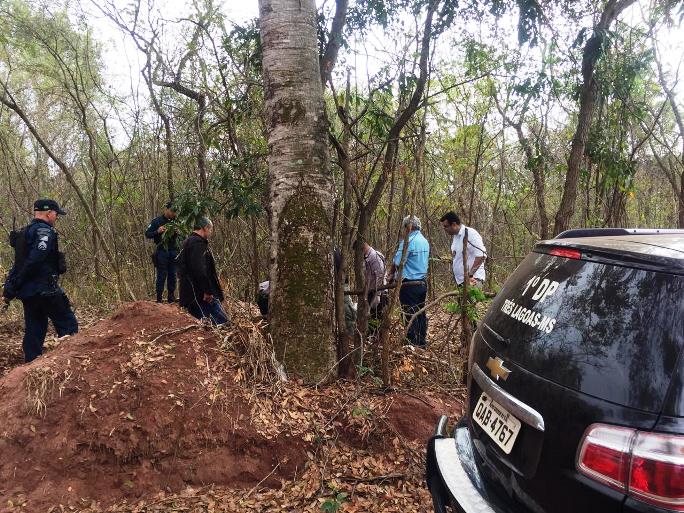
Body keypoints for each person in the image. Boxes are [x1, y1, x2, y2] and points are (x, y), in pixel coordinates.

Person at [2, 199, 78, 362]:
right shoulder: (45, 232)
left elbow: (18, 264)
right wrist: (16, 284)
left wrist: (11, 288)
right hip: (45, 290)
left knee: (34, 331)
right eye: (56, 214)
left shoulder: (25, 233)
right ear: (49, 213)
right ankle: (71, 365)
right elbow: (34, 260)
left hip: (28, 293)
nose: (56, 218)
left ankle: (31, 366)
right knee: (69, 325)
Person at [177, 217, 228, 325]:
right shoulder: (197, 244)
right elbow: (199, 269)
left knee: (207, 327)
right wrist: (208, 291)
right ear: (205, 228)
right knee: (222, 324)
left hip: (193, 295)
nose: (210, 233)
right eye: (210, 230)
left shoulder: (188, 242)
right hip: (200, 296)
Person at [388, 215, 430, 347]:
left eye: (404, 227)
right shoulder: (424, 241)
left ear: (409, 227)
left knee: (409, 313)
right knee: (420, 312)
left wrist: (390, 275)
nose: (404, 230)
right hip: (422, 283)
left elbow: (397, 261)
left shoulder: (408, 241)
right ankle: (421, 341)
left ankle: (412, 344)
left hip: (409, 284)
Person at [145, 202, 181, 303]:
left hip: (174, 251)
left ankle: (171, 298)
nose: (174, 214)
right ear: (166, 210)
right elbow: (147, 234)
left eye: (175, 212)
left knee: (172, 275)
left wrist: (179, 233)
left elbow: (183, 237)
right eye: (172, 211)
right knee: (161, 275)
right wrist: (157, 231)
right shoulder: (157, 221)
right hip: (162, 252)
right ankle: (159, 299)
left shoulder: (177, 222)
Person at [439, 211, 486, 287]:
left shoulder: (471, 233)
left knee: (472, 299)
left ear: (454, 224)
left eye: (446, 226)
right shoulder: (456, 237)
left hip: (473, 280)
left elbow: (481, 256)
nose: (444, 229)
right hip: (461, 281)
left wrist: (470, 275)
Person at [363, 241, 386, 330]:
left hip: (378, 292)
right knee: (372, 318)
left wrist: (377, 294)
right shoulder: (368, 256)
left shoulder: (374, 256)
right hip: (372, 291)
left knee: (376, 317)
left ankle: (377, 341)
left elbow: (380, 275)